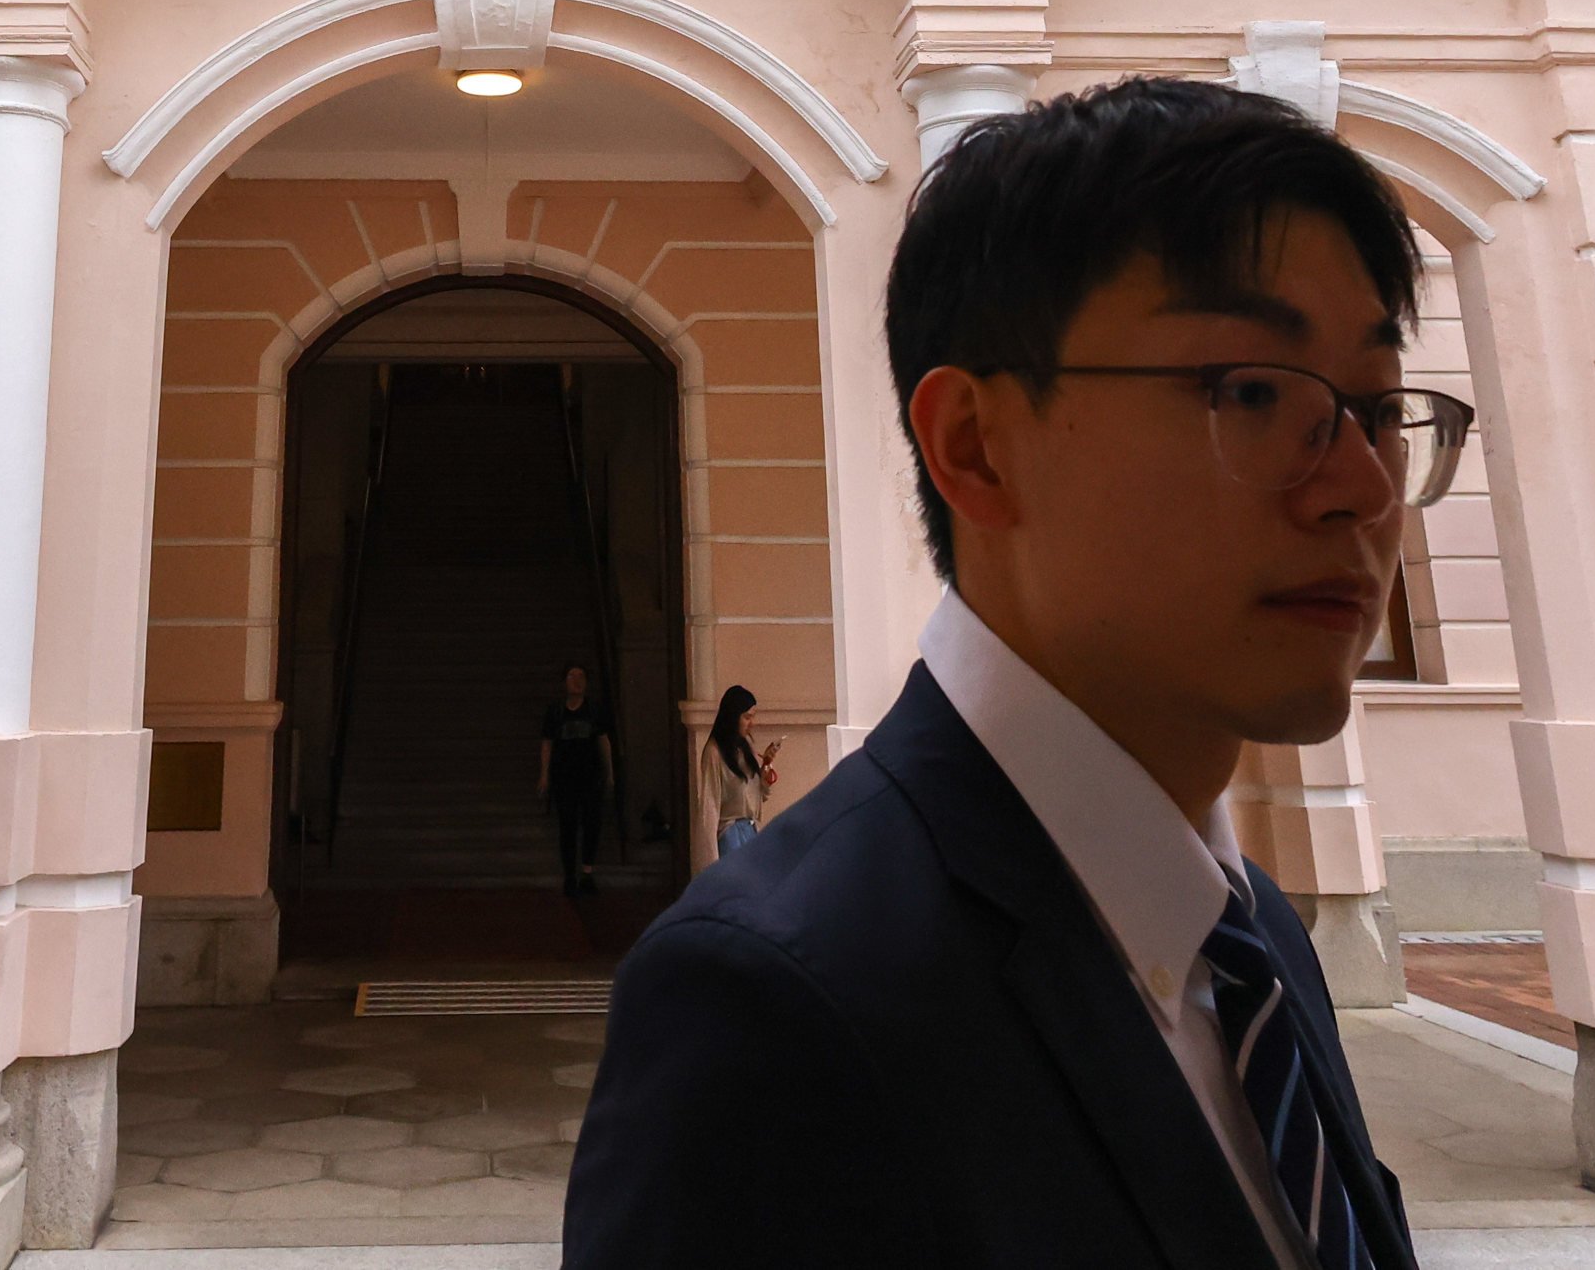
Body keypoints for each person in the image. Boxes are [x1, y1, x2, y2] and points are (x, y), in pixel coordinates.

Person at [567, 78, 1471, 1270]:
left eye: (1376, 406)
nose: (1362, 487)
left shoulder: (1252, 944)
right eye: (1254, 392)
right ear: (976, 448)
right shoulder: (775, 1001)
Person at [536, 662, 612, 895]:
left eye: (581, 676)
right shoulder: (556, 711)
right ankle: (570, 875)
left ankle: (587, 872)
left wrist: (609, 773)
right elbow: (547, 743)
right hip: (564, 778)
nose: (577, 681)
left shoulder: (594, 710)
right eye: (572, 676)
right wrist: (544, 775)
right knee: (567, 827)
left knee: (591, 824)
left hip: (590, 777)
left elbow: (603, 741)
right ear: (564, 682)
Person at [700, 684, 776, 864]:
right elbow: (709, 806)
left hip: (751, 830)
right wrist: (711, 860)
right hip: (730, 834)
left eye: (752, 717)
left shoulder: (745, 747)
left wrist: (766, 766)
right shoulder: (714, 752)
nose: (751, 723)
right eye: (746, 717)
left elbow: (757, 794)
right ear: (733, 717)